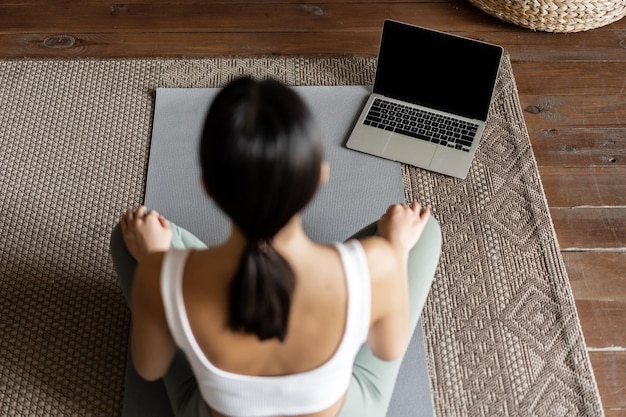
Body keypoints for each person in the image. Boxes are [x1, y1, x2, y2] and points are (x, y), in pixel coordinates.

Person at [110, 77, 441, 417]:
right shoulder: (377, 264)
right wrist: (396, 250)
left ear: (207, 185)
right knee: (423, 230)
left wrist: (157, 262)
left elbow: (150, 366)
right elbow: (388, 348)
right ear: (318, 176)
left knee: (130, 236)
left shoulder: (158, 273)